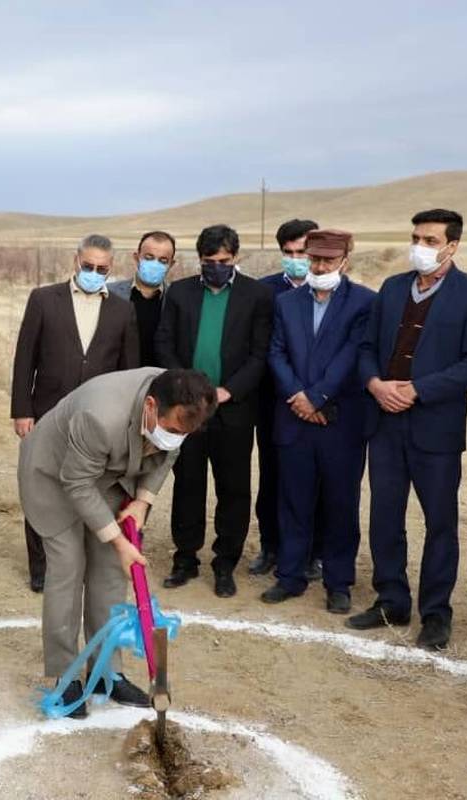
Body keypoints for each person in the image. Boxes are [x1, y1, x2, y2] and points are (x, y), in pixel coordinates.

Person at [19, 367, 216, 718]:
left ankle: (106, 672)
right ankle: (66, 676)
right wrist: (121, 542)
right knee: (68, 568)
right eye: (172, 430)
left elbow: (167, 454)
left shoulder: (181, 402)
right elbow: (77, 483)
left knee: (110, 572)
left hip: (107, 478)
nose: (176, 438)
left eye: (184, 434)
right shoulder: (100, 416)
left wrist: (142, 502)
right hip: (54, 478)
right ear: (151, 406)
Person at [350, 209, 467, 650]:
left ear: (452, 246)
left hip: (436, 428)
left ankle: (435, 613)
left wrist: (418, 390)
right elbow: (366, 347)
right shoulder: (393, 288)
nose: (420, 246)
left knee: (440, 523)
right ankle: (390, 600)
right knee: (385, 516)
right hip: (384, 421)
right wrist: (374, 384)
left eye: (430, 240)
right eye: (416, 237)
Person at [11, 235, 139, 592]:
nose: (94, 273)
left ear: (110, 268)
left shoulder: (122, 310)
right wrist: (22, 410)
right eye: (88, 266)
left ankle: (80, 562)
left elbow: (128, 371)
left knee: (89, 487)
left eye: (102, 269)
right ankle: (41, 568)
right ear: (75, 261)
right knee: (41, 486)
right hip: (46, 411)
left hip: (97, 422)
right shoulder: (43, 299)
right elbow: (25, 358)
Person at [260, 230, 375, 614]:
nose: (320, 267)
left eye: (328, 260)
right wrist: (298, 395)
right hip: (294, 418)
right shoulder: (287, 302)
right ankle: (290, 576)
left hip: (340, 423)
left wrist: (318, 397)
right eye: (315, 259)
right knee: (293, 501)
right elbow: (276, 352)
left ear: (345, 260)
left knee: (341, 504)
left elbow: (352, 356)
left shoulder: (364, 302)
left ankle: (338, 582)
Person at [155, 225, 274, 596]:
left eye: (223, 260)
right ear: (199, 259)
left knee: (233, 489)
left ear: (235, 257)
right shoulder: (180, 292)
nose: (216, 267)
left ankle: (225, 564)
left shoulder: (257, 295)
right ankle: (185, 559)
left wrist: (229, 390)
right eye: (209, 261)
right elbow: (164, 343)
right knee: (187, 484)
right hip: (188, 410)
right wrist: (185, 390)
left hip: (233, 409)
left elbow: (260, 354)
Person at [250, 218, 320, 579]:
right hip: (273, 401)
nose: (296, 259)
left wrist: (315, 395)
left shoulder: (330, 288)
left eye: (302, 252)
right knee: (273, 476)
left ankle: (314, 552)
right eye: (288, 252)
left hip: (319, 402)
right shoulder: (264, 291)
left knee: (317, 479)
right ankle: (271, 547)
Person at [108, 231, 177, 367]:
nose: (155, 264)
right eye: (149, 257)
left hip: (160, 377)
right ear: (137, 257)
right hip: (118, 376)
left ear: (171, 264)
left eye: (163, 260)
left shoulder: (176, 299)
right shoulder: (111, 293)